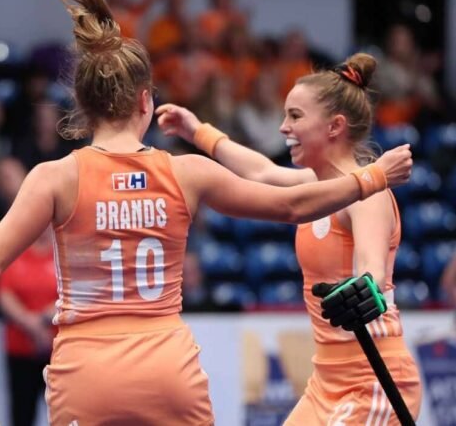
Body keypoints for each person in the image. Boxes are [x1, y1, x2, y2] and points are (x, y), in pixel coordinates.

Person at [0, 0, 413, 424]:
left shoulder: (55, 176)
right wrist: (372, 176)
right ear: (145, 101)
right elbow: (290, 202)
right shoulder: (184, 171)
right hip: (169, 374)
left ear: (81, 104)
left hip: (86, 374)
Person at [157, 52, 422, 423]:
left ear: (334, 126)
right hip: (326, 381)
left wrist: (365, 288)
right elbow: (261, 172)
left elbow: (372, 270)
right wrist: (197, 130)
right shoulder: (319, 186)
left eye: (295, 116)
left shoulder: (369, 194)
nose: (283, 127)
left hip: (372, 379)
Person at [0, 228, 58, 426]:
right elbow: (4, 294)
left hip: (57, 351)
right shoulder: (14, 253)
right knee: (21, 412)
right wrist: (31, 323)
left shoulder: (62, 254)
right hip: (20, 349)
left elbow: (71, 295)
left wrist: (44, 318)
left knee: (62, 412)